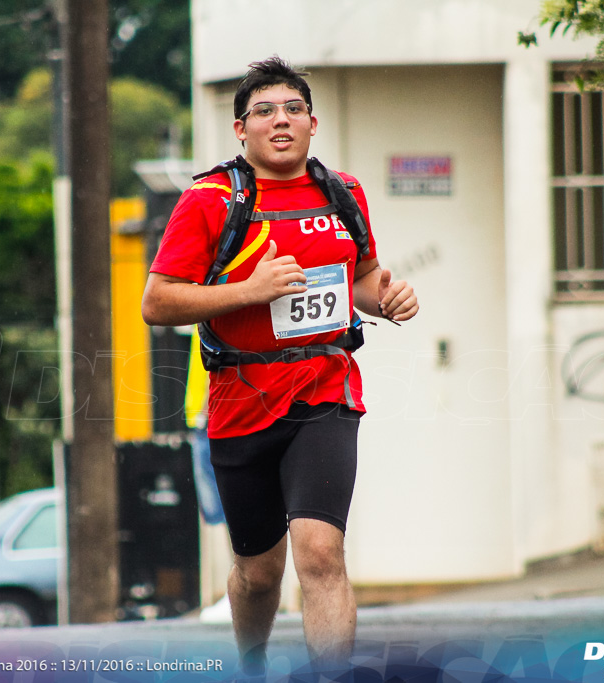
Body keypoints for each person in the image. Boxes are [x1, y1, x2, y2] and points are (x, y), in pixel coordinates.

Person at [141, 56, 419, 675]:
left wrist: (388, 297)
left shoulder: (343, 192)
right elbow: (157, 302)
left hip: (325, 390)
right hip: (241, 401)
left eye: (293, 108)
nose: (280, 120)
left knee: (320, 553)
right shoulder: (211, 200)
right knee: (258, 573)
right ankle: (253, 662)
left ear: (313, 123)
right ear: (241, 130)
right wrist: (248, 290)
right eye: (263, 111)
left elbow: (364, 279)